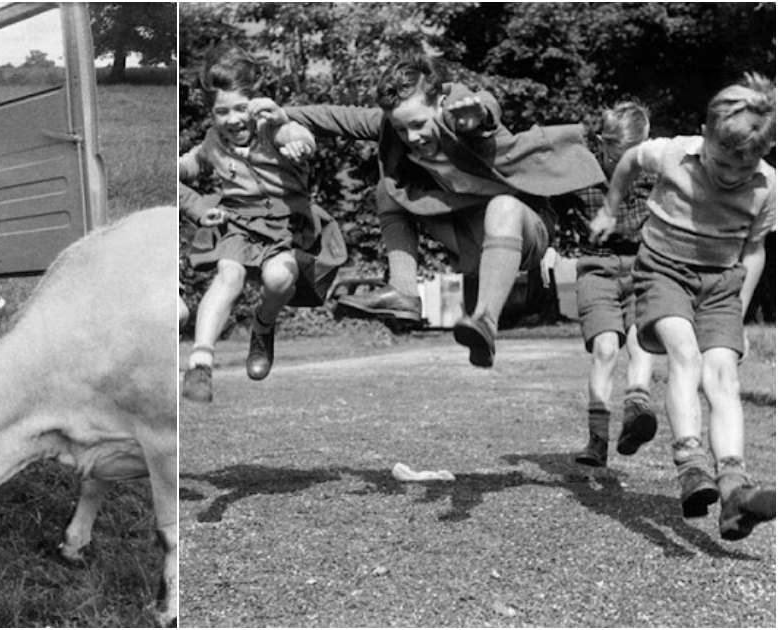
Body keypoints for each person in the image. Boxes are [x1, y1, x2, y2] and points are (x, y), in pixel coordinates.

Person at [261, 54, 605, 367]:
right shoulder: (396, 127)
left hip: (527, 229)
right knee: (388, 189)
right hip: (474, 239)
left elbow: (486, 105)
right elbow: (339, 117)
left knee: (502, 207)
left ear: (439, 104)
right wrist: (283, 113)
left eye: (419, 124)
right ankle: (404, 291)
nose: (412, 136)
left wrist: (476, 113)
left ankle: (485, 320)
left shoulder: (460, 112)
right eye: (401, 128)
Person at [590, 73, 775, 540]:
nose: (733, 174)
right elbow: (631, 158)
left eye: (746, 163)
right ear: (705, 134)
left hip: (720, 287)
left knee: (724, 376)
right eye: (723, 160)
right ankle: (691, 463)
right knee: (685, 355)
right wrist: (611, 207)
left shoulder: (768, 187)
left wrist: (739, 310)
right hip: (663, 272)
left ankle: (734, 488)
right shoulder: (675, 153)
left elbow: (754, 251)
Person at [179, 44, 345, 403]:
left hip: (287, 226)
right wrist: (185, 189)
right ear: (211, 113)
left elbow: (297, 137)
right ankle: (200, 363)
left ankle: (263, 325)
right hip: (238, 222)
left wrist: (297, 142)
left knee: (279, 278)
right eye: (221, 112)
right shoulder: (212, 141)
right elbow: (189, 165)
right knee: (229, 275)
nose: (233, 119)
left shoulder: (273, 127)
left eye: (241, 108)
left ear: (256, 103)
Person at [563, 101, 658, 467]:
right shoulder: (582, 173)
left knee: (640, 339)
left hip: (643, 267)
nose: (632, 163)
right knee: (605, 349)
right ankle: (597, 440)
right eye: (623, 155)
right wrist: (548, 249)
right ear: (604, 145)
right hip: (596, 267)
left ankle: (636, 413)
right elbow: (549, 203)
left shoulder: (656, 173)